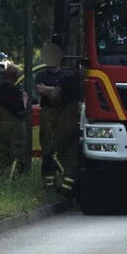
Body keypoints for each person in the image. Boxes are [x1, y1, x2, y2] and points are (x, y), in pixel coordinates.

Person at [35, 44, 80, 192]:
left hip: (63, 112)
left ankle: (60, 182)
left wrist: (51, 89)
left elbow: (53, 92)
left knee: (61, 147)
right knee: (47, 145)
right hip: (48, 112)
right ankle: (49, 183)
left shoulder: (66, 77)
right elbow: (40, 90)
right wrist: (54, 90)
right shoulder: (42, 75)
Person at [0, 64, 27, 179]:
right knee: (17, 151)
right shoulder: (14, 90)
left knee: (2, 152)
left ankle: (1, 176)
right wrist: (25, 100)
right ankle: (13, 177)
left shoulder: (0, 88)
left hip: (1, 124)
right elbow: (20, 111)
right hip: (14, 126)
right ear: (15, 77)